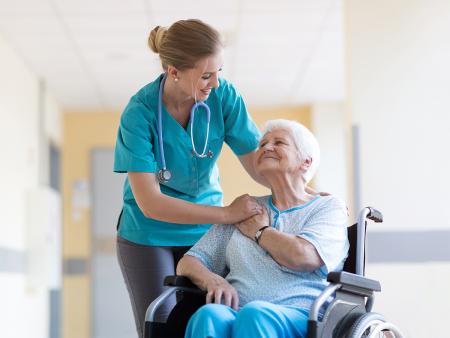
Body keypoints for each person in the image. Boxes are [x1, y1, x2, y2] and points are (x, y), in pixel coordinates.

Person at [113, 19, 267, 338]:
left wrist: (303, 190)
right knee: (161, 324)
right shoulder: (139, 113)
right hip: (147, 235)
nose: (216, 83)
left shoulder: (223, 98)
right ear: (174, 72)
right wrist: (226, 214)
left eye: (219, 72)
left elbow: (256, 162)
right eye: (206, 76)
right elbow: (151, 203)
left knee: (208, 319)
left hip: (204, 233)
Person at [177, 119, 349, 338]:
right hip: (238, 312)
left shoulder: (326, 207)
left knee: (254, 314)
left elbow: (303, 255)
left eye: (279, 142)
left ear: (306, 161)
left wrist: (261, 232)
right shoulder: (245, 209)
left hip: (302, 315)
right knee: (209, 316)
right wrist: (213, 279)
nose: (266, 147)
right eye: (263, 144)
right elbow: (189, 262)